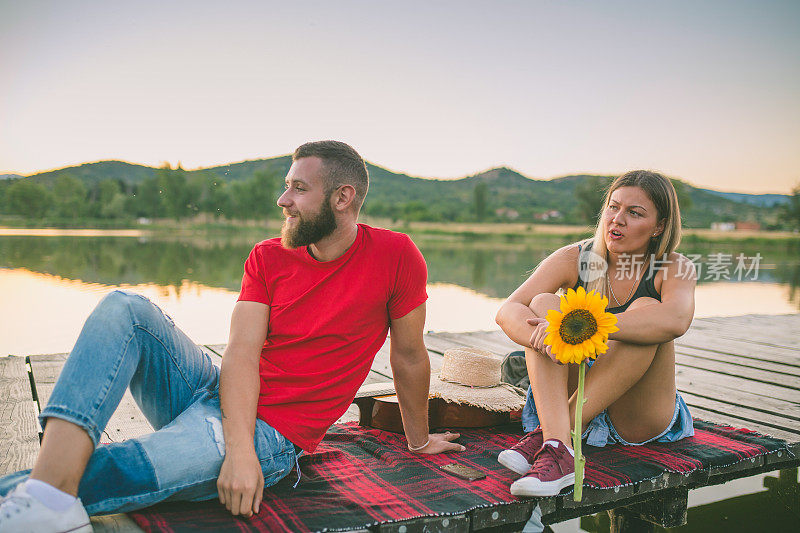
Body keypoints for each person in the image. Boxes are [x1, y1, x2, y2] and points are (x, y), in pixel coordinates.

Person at [0, 140, 463, 533]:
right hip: (216, 391)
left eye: (298, 189)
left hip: (274, 435)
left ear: (343, 198)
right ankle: (46, 493)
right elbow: (240, 353)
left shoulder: (396, 255)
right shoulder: (268, 256)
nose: (283, 200)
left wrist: (418, 441)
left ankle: (37, 494)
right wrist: (238, 452)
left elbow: (407, 356)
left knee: (125, 468)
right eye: (286, 186)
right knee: (126, 308)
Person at [495, 170, 696, 497]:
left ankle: (554, 435)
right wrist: (544, 333)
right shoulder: (574, 257)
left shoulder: (674, 266)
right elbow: (508, 310)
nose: (617, 219)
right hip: (578, 388)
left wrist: (589, 327)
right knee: (545, 304)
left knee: (646, 309)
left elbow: (676, 319)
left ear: (659, 226)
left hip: (637, 414)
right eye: (613, 207)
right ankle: (560, 448)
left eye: (634, 213)